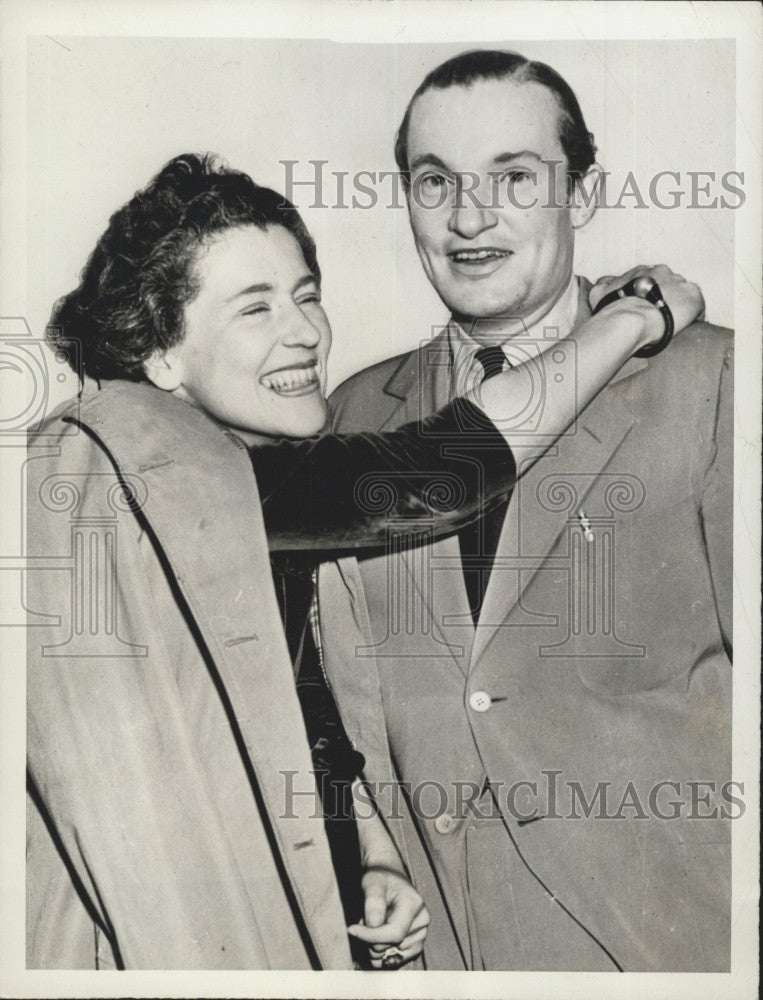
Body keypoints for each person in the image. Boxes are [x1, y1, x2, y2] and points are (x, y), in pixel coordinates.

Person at [24, 153, 696, 971]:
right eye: (255, 308)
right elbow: (440, 472)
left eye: (307, 294)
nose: (304, 330)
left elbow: (295, 714)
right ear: (159, 356)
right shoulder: (151, 463)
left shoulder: (239, 492)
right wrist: (634, 320)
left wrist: (366, 862)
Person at [319, 50, 733, 972]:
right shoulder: (350, 416)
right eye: (436, 182)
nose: (469, 217)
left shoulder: (713, 381)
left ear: (580, 193)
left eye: (513, 176)